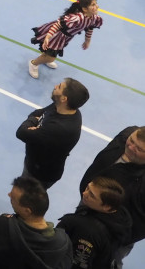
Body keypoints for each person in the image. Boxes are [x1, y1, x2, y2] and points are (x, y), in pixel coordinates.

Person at [0, 176, 71, 269]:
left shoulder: (2, 226)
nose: (8, 195)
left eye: (13, 198)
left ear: (27, 211)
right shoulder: (63, 243)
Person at [78, 125, 145, 257]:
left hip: (112, 235)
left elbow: (140, 226)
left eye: (139, 149)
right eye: (131, 140)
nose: (130, 148)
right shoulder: (125, 135)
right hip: (89, 203)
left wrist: (111, 236)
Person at [16, 78, 89, 189]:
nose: (55, 86)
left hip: (39, 174)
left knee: (24, 197)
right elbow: (37, 112)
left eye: (59, 87)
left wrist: (34, 121)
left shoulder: (59, 128)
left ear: (64, 98)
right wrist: (35, 120)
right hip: (35, 162)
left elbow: (21, 133)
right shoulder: (62, 107)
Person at [58, 177, 132, 269]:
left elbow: (77, 263)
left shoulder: (88, 233)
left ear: (107, 207)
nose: (84, 193)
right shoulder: (120, 217)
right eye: (87, 188)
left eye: (92, 195)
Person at [28, 0, 101, 79]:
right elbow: (58, 24)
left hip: (65, 38)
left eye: (96, 3)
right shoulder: (77, 19)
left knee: (50, 53)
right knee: (51, 57)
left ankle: (45, 58)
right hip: (56, 35)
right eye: (93, 5)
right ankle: (33, 63)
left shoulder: (94, 18)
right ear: (84, 9)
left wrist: (87, 41)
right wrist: (48, 37)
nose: (97, 6)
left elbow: (89, 28)